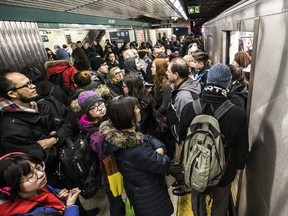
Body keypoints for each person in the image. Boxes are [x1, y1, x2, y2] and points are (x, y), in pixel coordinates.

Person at [186, 64, 249, 216]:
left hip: (196, 164)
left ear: (208, 80)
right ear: (228, 83)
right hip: (225, 169)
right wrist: (239, 166)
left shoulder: (190, 107)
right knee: (221, 200)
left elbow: (182, 135)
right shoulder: (237, 113)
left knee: (197, 196)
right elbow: (242, 145)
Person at [100, 96, 174, 216]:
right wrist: (160, 151)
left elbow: (147, 137)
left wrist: (158, 148)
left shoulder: (121, 135)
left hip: (137, 191)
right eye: (136, 108)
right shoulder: (136, 149)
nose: (139, 109)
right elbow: (164, 163)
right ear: (127, 115)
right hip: (151, 199)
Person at [0, 71, 73, 187]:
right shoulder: (10, 130)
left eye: (31, 82)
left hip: (65, 169)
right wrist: (58, 137)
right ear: (12, 93)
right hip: (48, 182)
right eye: (27, 85)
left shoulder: (40, 107)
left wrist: (53, 140)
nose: (33, 86)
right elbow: (41, 160)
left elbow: (67, 126)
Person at [76, 90, 125, 216]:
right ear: (88, 113)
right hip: (107, 173)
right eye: (93, 108)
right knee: (115, 199)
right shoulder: (96, 134)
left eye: (100, 104)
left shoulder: (103, 119)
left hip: (110, 169)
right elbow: (106, 153)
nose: (100, 109)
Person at [0, 152, 81, 215]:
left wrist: (59, 195)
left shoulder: (36, 187)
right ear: (12, 187)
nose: (41, 174)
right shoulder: (27, 213)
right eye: (31, 176)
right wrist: (70, 206)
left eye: (38, 167)